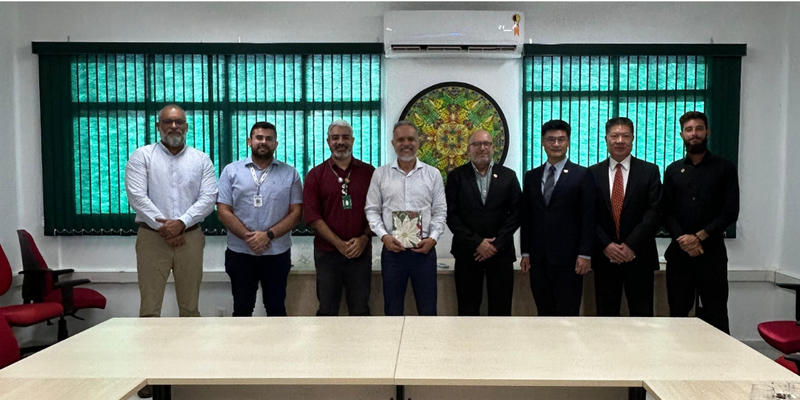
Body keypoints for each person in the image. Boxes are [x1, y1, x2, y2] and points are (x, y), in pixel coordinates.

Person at [125, 104, 218, 399]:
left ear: (187, 126)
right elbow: (137, 196)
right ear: (158, 126)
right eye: (168, 122)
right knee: (150, 309)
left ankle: (187, 372)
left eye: (179, 122)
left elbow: (209, 197)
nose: (174, 127)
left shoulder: (201, 159)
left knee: (190, 308)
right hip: (152, 238)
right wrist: (166, 226)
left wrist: (182, 223)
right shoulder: (142, 157)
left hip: (190, 238)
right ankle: (149, 376)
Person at [661, 111, 739, 334]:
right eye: (688, 129)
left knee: (715, 313)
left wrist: (700, 236)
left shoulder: (725, 168)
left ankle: (720, 364)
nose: (694, 134)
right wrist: (683, 239)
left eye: (698, 129)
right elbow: (665, 211)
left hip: (711, 253)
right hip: (679, 255)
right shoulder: (673, 170)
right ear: (681, 135)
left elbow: (730, 210)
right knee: (677, 314)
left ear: (707, 132)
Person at [217, 121, 302, 317]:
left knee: (276, 308)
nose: (263, 142)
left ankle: (277, 348)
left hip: (276, 253)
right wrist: (251, 238)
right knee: (242, 309)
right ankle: (242, 348)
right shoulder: (231, 171)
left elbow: (296, 213)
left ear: (276, 144)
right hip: (240, 253)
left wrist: (268, 235)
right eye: (259, 138)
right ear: (249, 141)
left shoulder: (290, 174)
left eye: (269, 139)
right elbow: (223, 211)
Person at [365, 121, 447, 316]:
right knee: (392, 310)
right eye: (400, 139)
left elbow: (440, 211)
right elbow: (372, 210)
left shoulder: (432, 174)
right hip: (393, 253)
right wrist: (384, 237)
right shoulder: (380, 174)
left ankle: (426, 347)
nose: (406, 143)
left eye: (411, 139)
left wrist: (433, 238)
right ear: (393, 143)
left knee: (428, 310)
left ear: (419, 142)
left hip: (424, 252)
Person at [520, 119, 596, 316]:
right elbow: (527, 216)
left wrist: (585, 254)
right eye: (551, 139)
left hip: (570, 259)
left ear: (568, 142)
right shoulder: (531, 176)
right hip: (538, 258)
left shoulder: (582, 174)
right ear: (543, 142)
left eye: (561, 139)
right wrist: (525, 252)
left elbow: (589, 217)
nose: (556, 144)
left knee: (568, 313)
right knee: (543, 312)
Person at [589, 117, 662, 317]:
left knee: (642, 316)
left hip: (639, 257)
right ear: (606, 139)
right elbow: (588, 215)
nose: (620, 140)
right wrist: (606, 245)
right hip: (605, 259)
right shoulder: (592, 174)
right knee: (606, 316)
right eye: (615, 135)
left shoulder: (650, 171)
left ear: (633, 139)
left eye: (625, 136)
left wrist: (631, 245)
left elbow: (654, 213)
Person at [303, 120, 375, 316]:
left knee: (360, 309)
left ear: (353, 140)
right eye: (335, 137)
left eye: (345, 137)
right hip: (327, 254)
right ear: (328, 142)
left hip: (360, 252)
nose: (340, 141)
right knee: (327, 309)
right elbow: (312, 216)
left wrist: (364, 238)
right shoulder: (316, 175)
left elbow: (378, 211)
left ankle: (361, 348)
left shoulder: (370, 173)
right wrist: (339, 244)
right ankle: (327, 348)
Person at [445, 130, 521, 316]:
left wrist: (495, 244)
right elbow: (451, 215)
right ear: (468, 149)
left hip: (500, 254)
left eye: (487, 144)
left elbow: (518, 213)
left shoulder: (508, 176)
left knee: (501, 309)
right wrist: (477, 242)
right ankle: (469, 346)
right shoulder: (456, 176)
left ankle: (500, 345)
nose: (482, 148)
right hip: (468, 253)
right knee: (468, 309)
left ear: (493, 148)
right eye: (477, 144)